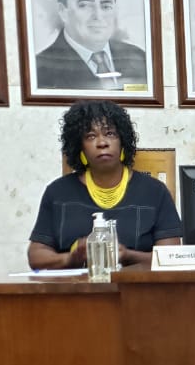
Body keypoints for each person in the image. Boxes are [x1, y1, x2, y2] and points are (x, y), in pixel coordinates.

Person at [27, 101, 181, 270]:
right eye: (90, 136)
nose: (102, 143)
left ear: (122, 142)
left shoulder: (154, 192)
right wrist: (70, 259)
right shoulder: (58, 192)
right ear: (80, 147)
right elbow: (36, 256)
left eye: (110, 133)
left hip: (136, 286)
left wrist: (128, 255)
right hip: (75, 286)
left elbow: (172, 257)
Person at [36, 0, 149, 91]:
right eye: (85, 5)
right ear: (63, 11)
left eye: (105, 6)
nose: (98, 16)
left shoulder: (139, 58)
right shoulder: (40, 69)